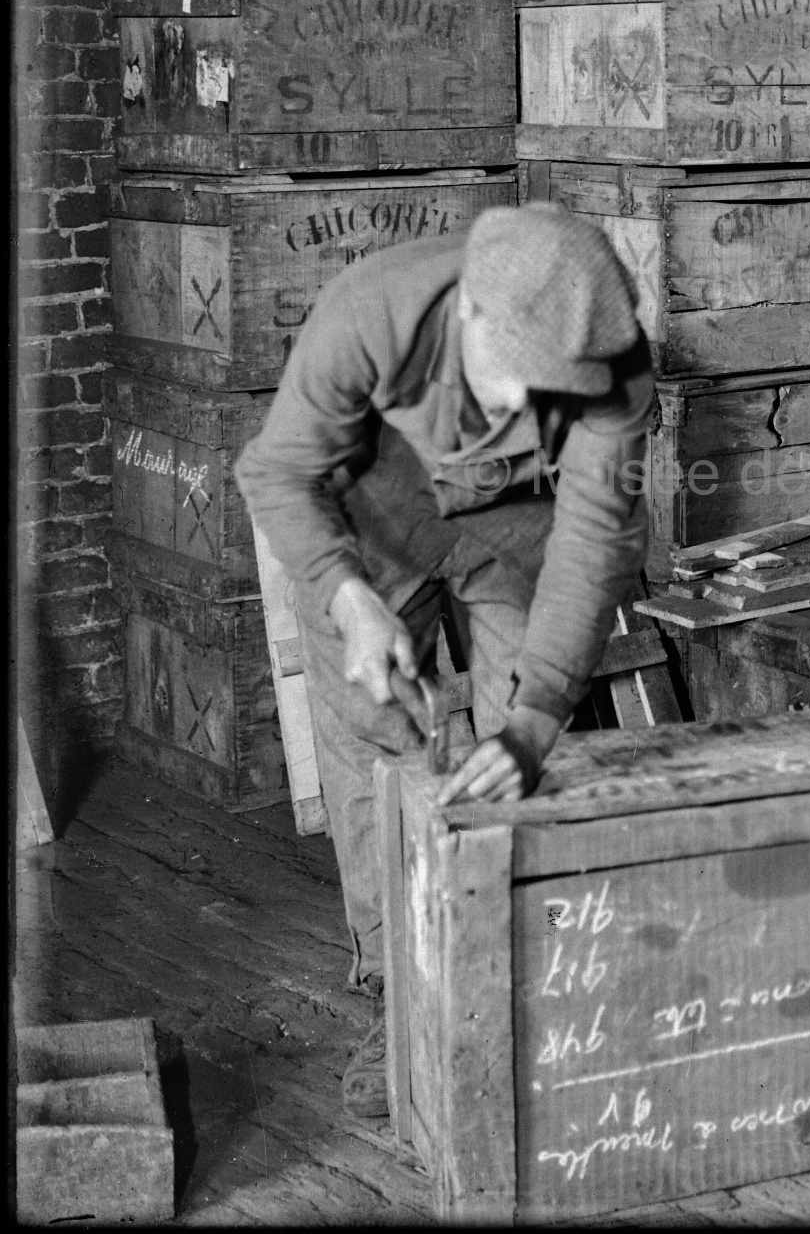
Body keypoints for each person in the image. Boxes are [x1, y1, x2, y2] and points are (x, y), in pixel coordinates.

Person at [234, 203, 653, 1117]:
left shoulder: (614, 371)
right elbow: (276, 471)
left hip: (515, 529)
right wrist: (351, 602)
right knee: (382, 748)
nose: (536, 412)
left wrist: (538, 715)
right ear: (467, 317)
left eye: (560, 396)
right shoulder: (369, 311)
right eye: (519, 387)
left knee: (519, 746)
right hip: (370, 528)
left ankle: (520, 969)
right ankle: (397, 987)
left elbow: (592, 544)